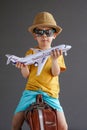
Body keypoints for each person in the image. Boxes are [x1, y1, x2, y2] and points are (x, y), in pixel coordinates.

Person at [12, 11, 68, 130]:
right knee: (15, 123)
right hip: (31, 91)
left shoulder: (58, 54)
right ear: (35, 36)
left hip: (50, 93)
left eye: (48, 32)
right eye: (40, 32)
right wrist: (23, 66)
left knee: (63, 126)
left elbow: (55, 73)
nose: (44, 36)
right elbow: (26, 75)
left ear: (54, 35)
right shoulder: (30, 53)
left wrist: (54, 60)